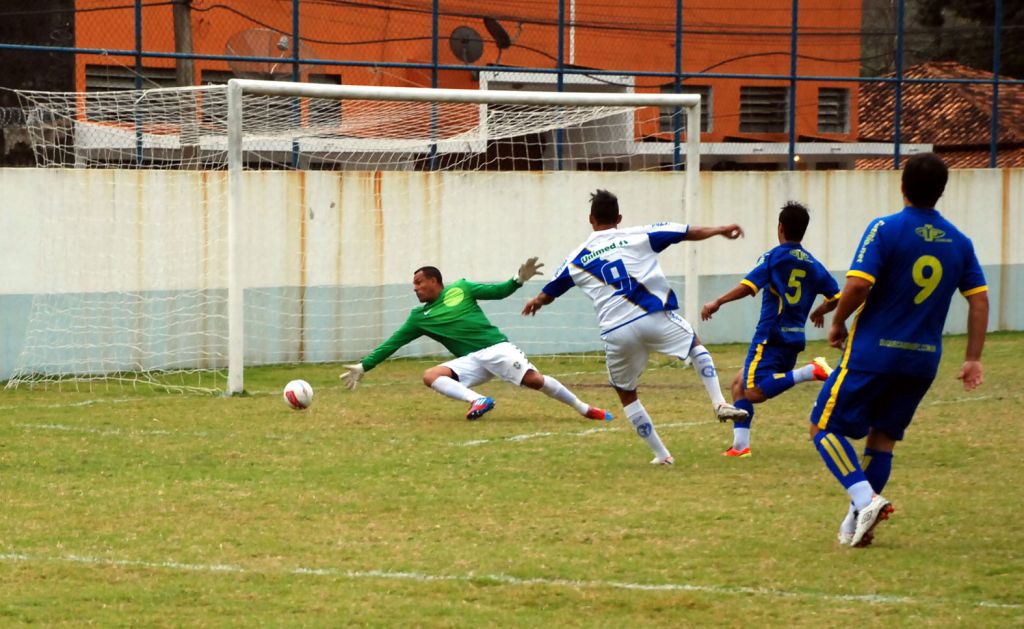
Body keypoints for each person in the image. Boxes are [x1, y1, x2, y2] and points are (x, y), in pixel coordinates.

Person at [808, 153, 987, 548]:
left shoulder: (885, 229)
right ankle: (861, 523)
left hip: (875, 352)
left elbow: (857, 285)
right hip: (921, 360)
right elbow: (978, 300)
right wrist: (973, 357)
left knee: (823, 427)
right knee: (882, 438)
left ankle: (864, 498)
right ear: (941, 192)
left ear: (902, 184)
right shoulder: (960, 242)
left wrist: (837, 322)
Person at [522, 189, 748, 465]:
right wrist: (720, 229)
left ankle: (662, 455)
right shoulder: (641, 235)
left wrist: (536, 302)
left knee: (626, 392)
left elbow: (550, 291)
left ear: (590, 219)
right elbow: (687, 232)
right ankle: (718, 402)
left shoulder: (576, 258)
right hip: (653, 316)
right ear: (619, 217)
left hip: (616, 331)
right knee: (694, 345)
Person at [339, 260, 613, 423]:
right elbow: (393, 343)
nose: (415, 288)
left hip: (495, 349)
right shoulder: (419, 317)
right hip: (472, 361)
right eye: (414, 284)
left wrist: (518, 279)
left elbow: (498, 292)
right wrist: (364, 366)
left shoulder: (462, 288)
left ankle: (585, 409)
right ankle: (479, 400)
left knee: (534, 382)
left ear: (434, 281)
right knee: (431, 375)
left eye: (419, 283)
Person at [700, 201, 841, 458]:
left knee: (753, 391)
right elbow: (836, 295)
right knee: (739, 384)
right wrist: (820, 312)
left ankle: (810, 371)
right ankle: (741, 446)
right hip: (794, 337)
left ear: (780, 228)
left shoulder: (773, 257)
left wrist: (717, 301)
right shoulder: (813, 263)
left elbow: (747, 286)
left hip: (770, 335)